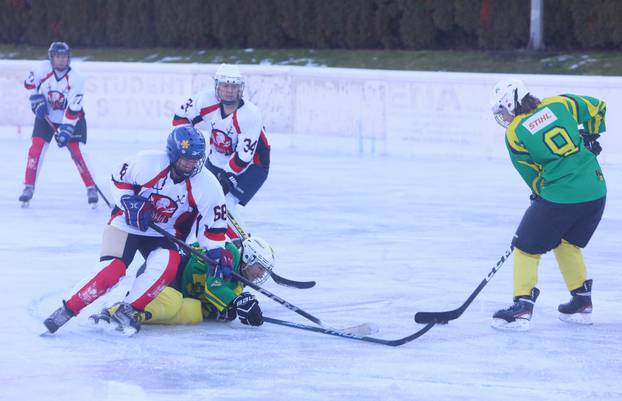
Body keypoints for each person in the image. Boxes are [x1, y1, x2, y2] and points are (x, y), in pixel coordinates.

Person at [43, 126, 232, 336]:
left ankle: (130, 309)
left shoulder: (208, 185)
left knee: (168, 264)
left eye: (196, 159)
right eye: (185, 158)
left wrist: (216, 251)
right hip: (126, 224)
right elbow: (118, 179)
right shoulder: (146, 162)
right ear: (172, 153)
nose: (190, 163)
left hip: (164, 233)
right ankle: (68, 308)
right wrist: (128, 202)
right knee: (112, 270)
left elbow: (213, 225)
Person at [489, 78, 607, 331]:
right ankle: (581, 301)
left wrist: (540, 191)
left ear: (512, 103)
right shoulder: (560, 103)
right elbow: (598, 107)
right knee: (567, 243)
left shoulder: (515, 132)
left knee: (525, 248)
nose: (504, 117)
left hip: (561, 197)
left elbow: (530, 173)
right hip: (596, 191)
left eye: (503, 110)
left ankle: (521, 306)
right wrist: (591, 135)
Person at [90, 236, 274, 330]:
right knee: (171, 302)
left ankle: (136, 315)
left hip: (179, 288)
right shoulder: (229, 252)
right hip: (163, 273)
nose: (261, 275)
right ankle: (116, 312)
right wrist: (236, 302)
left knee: (193, 313)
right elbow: (213, 286)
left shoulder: (237, 285)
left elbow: (207, 302)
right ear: (249, 257)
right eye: (260, 268)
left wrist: (225, 311)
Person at [172, 63, 270, 210]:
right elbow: (180, 117)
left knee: (224, 206)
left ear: (240, 89)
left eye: (234, 86)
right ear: (217, 86)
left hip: (252, 166)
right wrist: (185, 147)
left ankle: (236, 234)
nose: (229, 91)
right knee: (195, 200)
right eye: (225, 86)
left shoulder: (250, 114)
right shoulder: (205, 100)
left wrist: (227, 175)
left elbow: (244, 156)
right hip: (215, 160)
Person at [20, 41, 98, 207]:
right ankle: (28, 186)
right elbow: (29, 84)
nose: (61, 60)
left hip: (72, 119)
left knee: (77, 152)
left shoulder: (76, 79)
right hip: (46, 117)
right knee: (36, 148)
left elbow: (73, 107)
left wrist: (66, 129)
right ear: (51, 58)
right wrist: (36, 101)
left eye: (64, 57)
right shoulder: (43, 69)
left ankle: (91, 187)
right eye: (58, 56)